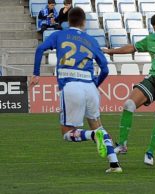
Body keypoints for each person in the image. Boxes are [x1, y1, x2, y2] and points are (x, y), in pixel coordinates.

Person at [30, 7, 122, 173]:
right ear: (84, 22)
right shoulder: (92, 40)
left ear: (67, 21)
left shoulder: (58, 35)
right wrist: (95, 84)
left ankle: (92, 136)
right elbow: (106, 69)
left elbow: (39, 49)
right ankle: (114, 164)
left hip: (71, 86)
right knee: (97, 125)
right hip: (90, 86)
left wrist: (36, 74)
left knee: (67, 133)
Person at [102, 12, 155, 166]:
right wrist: (111, 51)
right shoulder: (151, 39)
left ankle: (150, 152)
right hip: (153, 79)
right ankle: (122, 144)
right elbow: (132, 48)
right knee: (128, 104)